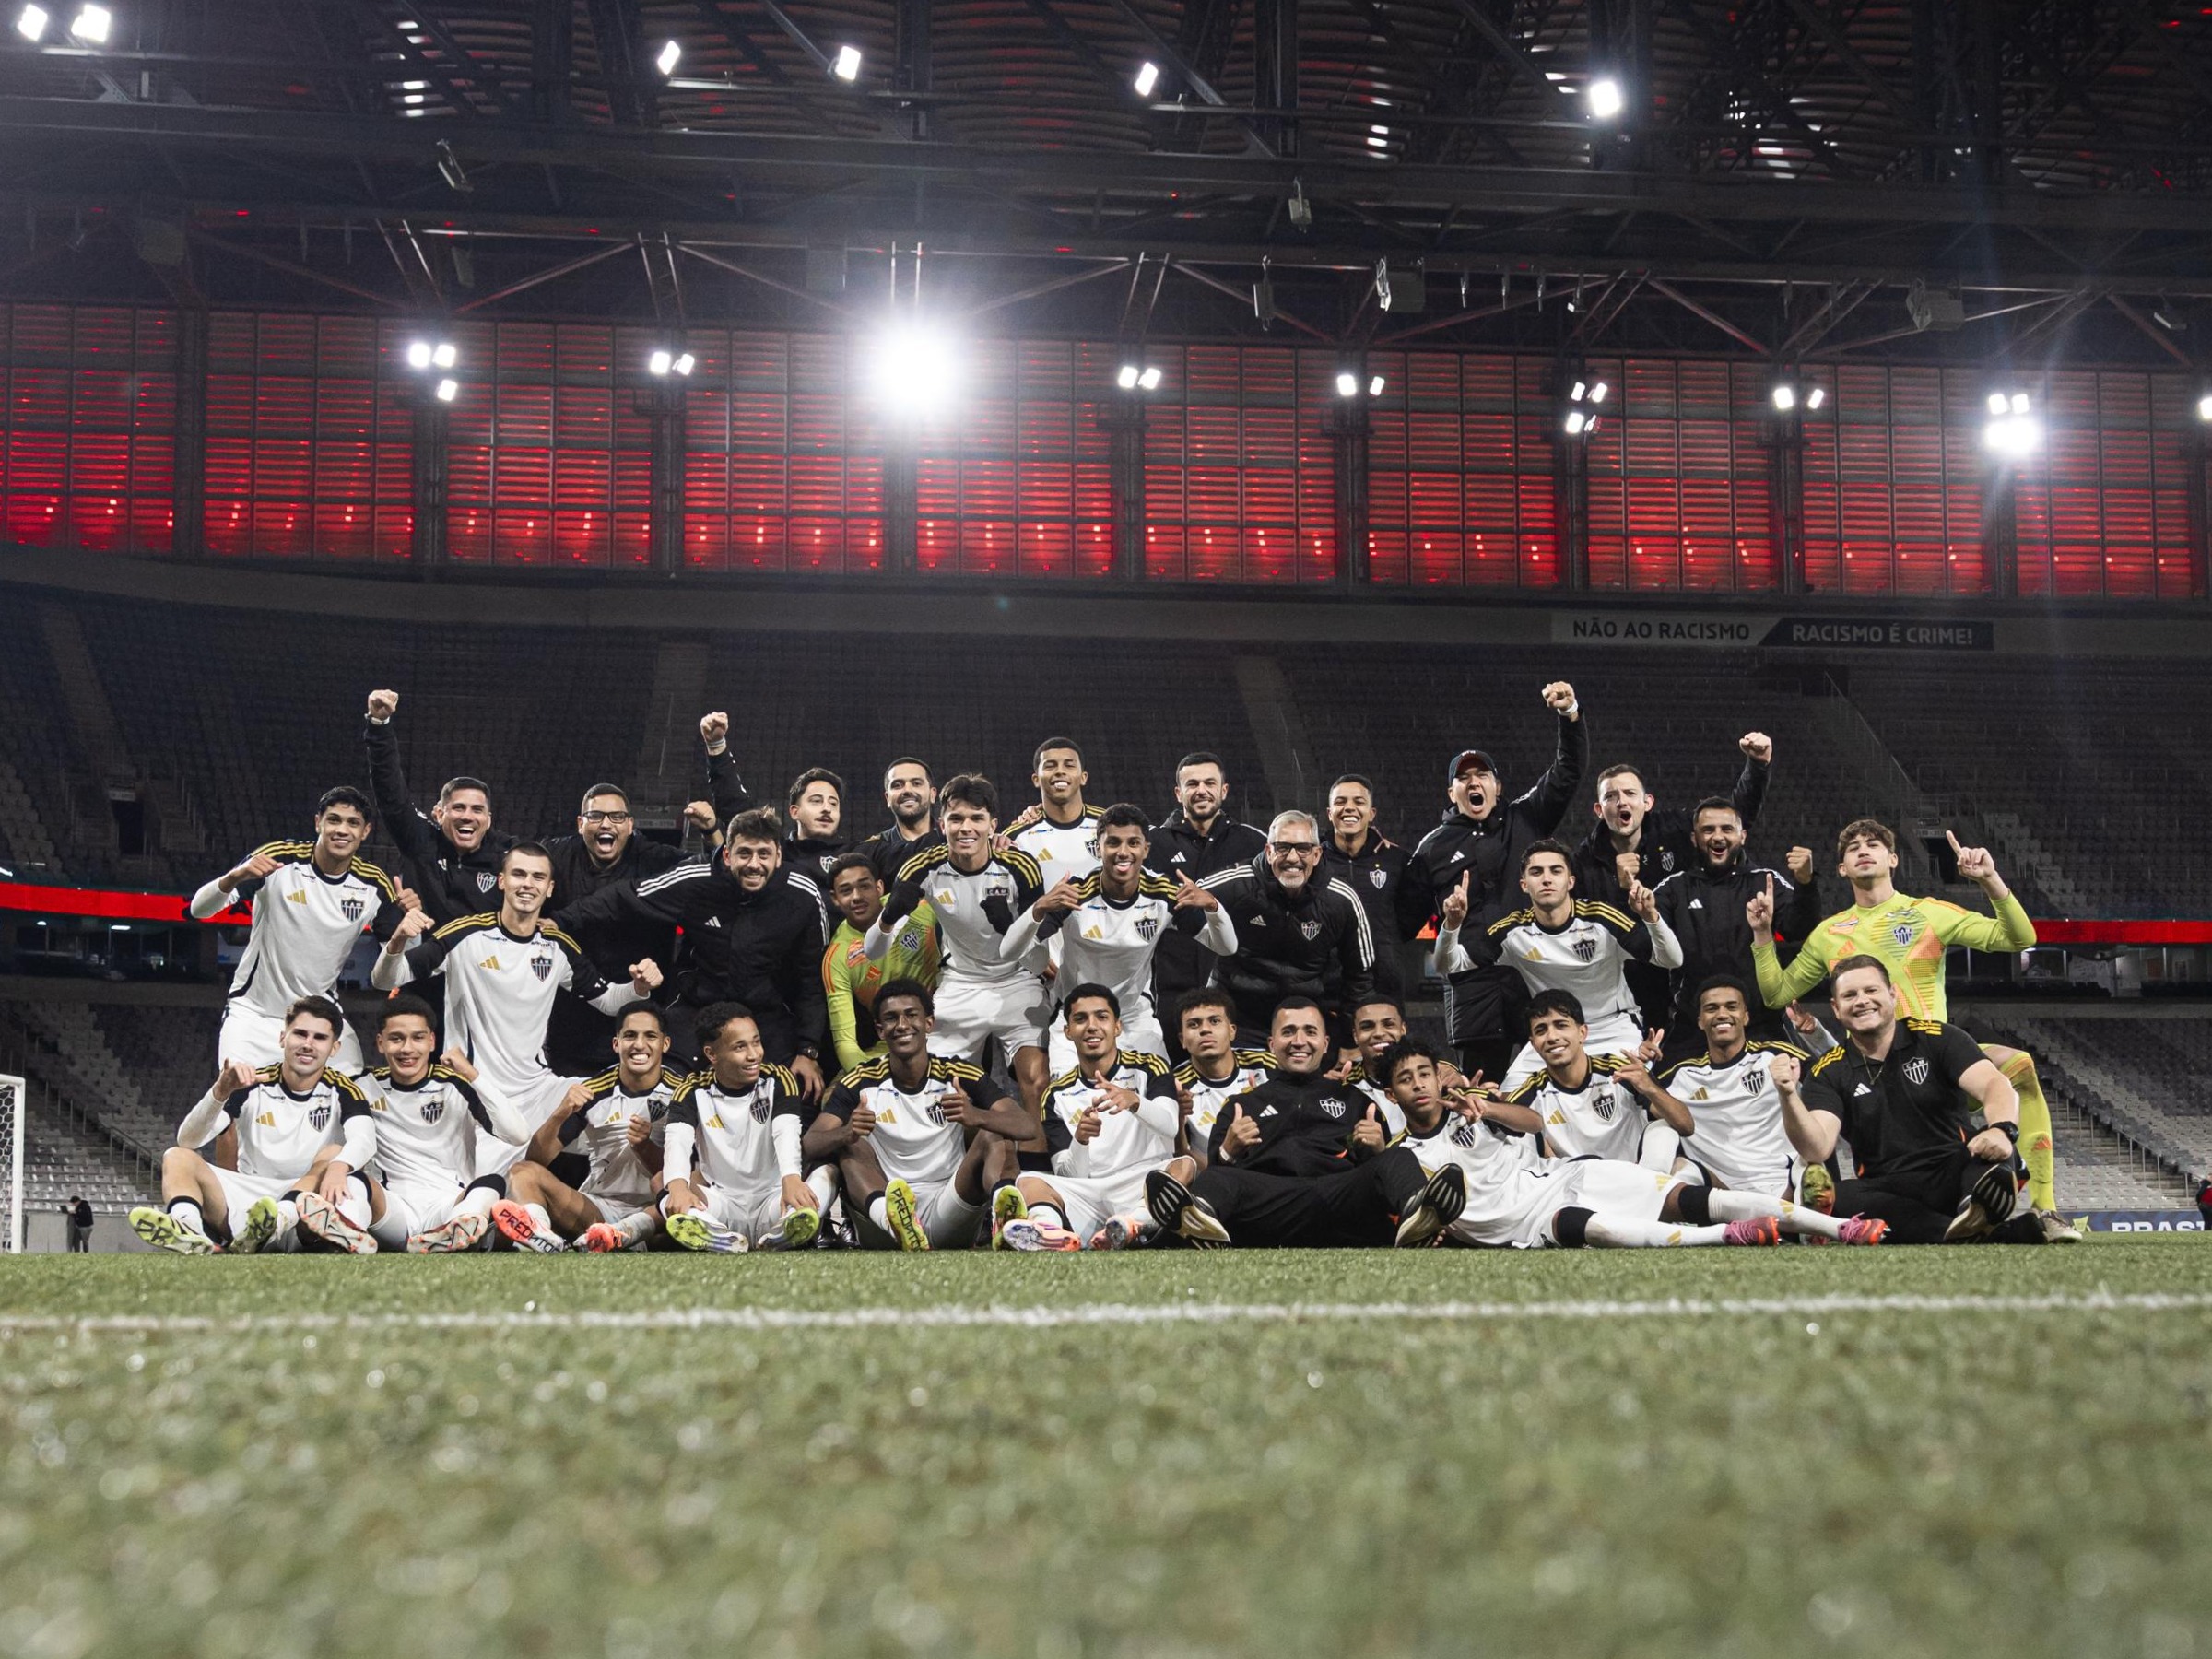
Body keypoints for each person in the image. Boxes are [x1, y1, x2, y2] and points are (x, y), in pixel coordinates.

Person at [1748, 818, 2063, 1225]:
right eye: (1852, 847)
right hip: (1875, 1076)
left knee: (2020, 1068)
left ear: (1892, 858)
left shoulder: (1928, 913)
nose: (1863, 849)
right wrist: (1760, 936)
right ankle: (1946, 1214)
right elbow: (1776, 994)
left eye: (1873, 844)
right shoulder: (1829, 934)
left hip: (1938, 1062)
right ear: (1842, 868)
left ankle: (2045, 1207)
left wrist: (1990, 881)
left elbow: (2019, 938)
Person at [1379, 1037, 1826, 1251]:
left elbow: (1532, 1123)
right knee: (1598, 1229)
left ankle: (1837, 1227)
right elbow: (1426, 1209)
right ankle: (1724, 1236)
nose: (1419, 1085)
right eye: (1406, 1079)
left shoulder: (1473, 1109)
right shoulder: (1403, 1154)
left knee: (1680, 1192)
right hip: (1522, 1230)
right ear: (1390, 1095)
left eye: (1425, 1073)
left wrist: (1488, 1108)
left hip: (1565, 1178)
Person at [370, 842, 663, 1167]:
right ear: (501, 881)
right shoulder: (466, 934)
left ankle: (618, 1204)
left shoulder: (557, 946)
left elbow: (609, 1001)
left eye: (538, 877)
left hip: (538, 1089)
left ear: (549, 889)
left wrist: (638, 986)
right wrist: (397, 940)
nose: (528, 884)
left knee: (623, 1124)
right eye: (519, 874)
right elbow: (385, 979)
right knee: (487, 1188)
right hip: (476, 1091)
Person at [1144, 996, 1465, 1250]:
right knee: (1219, 1177)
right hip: (1269, 1203)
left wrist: (1377, 1149)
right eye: (1288, 1032)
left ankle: (1419, 1215)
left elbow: (1371, 1172)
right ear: (1272, 1045)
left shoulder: (1355, 1101)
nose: (1299, 1040)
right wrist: (1228, 1150)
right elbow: (1218, 1166)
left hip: (1339, 1200)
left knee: (1399, 1157)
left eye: (1310, 1032)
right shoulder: (1242, 1104)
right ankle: (1197, 1218)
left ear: (1325, 1044)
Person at [555, 807, 830, 1088]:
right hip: (696, 1006)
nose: (754, 864)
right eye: (744, 853)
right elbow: (624, 897)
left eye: (764, 854)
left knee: (797, 1090)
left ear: (779, 856)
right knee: (661, 1091)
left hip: (766, 1013)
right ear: (726, 854)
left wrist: (808, 1050)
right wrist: (558, 921)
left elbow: (813, 980)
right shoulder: (696, 879)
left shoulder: (803, 895)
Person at [1782, 956, 2046, 1245]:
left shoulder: (1938, 1038)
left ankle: (1967, 1214)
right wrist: (1788, 1095)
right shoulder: (1828, 1071)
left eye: (1871, 991)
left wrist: (2002, 1129)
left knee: (1994, 1153)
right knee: (1838, 1198)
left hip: (1954, 1174)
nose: (1862, 1001)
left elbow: (1996, 1085)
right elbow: (1817, 1147)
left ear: (1893, 994)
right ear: (1836, 1008)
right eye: (1849, 995)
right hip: (1889, 1191)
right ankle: (1981, 1232)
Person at [1409, 681, 1588, 1081]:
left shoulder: (1526, 818)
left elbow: (1568, 771)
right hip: (1474, 984)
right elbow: (1405, 918)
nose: (1474, 783)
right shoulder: (1432, 849)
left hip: (1536, 972)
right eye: (1464, 778)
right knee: (1482, 1090)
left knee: (1552, 1081)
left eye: (1483, 775)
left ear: (1498, 786)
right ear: (1451, 791)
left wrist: (1569, 715)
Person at [541, 747, 743, 1077]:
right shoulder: (554, 855)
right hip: (570, 1008)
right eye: (596, 816)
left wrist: (711, 831)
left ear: (631, 825)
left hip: (642, 1001)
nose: (606, 824)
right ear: (580, 824)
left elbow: (713, 871)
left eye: (617, 817)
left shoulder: (653, 857)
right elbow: (510, 863)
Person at [997, 804, 1238, 1073]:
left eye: (1133, 843)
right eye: (1113, 842)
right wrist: (1038, 909)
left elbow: (1226, 947)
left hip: (1134, 1018)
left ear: (1146, 849)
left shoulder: (1163, 894)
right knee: (1072, 1109)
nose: (1123, 852)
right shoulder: (1075, 893)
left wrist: (1213, 907)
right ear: (1098, 848)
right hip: (1079, 1017)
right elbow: (1008, 951)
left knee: (1163, 1104)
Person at [801, 979, 1038, 1251]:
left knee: (994, 1133)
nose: (902, 1025)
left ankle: (1006, 1220)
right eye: (891, 1018)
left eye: (911, 1015)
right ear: (880, 1030)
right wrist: (847, 1131)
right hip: (885, 1208)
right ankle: (896, 1221)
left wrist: (977, 1116)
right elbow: (810, 1143)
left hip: (948, 1204)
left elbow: (1026, 1126)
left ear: (929, 1024)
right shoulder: (861, 1080)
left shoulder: (958, 1073)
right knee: (850, 1145)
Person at [869, 775, 1052, 1121]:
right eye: (956, 819)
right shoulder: (923, 868)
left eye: (976, 818)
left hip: (1016, 983)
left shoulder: (1020, 866)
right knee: (935, 1083)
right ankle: (958, 1166)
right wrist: (888, 918)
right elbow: (873, 952)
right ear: (942, 824)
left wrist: (1009, 927)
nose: (965, 827)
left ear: (992, 824)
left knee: (1037, 1078)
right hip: (961, 983)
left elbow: (1039, 959)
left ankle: (1039, 1168)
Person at [127, 996, 371, 1255]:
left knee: (333, 1152)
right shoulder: (252, 1084)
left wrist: (338, 1167)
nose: (308, 1044)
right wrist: (220, 1091)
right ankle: (190, 1230)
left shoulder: (344, 1090)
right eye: (300, 1034)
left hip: (304, 1210)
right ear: (282, 1038)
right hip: (249, 1203)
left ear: (334, 1048)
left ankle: (277, 1221)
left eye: (319, 1038)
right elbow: (188, 1140)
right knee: (177, 1157)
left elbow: (365, 1140)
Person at [188, 786, 406, 1074]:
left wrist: (406, 932)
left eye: (352, 823)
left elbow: (390, 975)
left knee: (356, 1100)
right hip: (255, 1015)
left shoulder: (375, 884)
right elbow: (199, 910)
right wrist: (236, 875)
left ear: (365, 831)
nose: (342, 830)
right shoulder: (279, 860)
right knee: (235, 1105)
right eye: (334, 820)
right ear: (318, 822)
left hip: (320, 1020)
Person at [1433, 839, 1681, 1088]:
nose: (1547, 879)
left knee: (1637, 1094)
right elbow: (1449, 965)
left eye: (1556, 870)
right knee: (1508, 1105)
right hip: (1553, 1034)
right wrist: (1451, 926)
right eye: (1536, 872)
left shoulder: (1602, 920)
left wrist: (1651, 917)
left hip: (1611, 1027)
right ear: (1524, 885)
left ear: (1570, 882)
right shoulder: (1512, 931)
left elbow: (1671, 958)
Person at [1655, 979, 1888, 1242]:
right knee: (1668, 1147)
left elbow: (1841, 1073)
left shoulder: (1776, 1056)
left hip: (1783, 1179)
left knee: (1810, 1163)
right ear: (1699, 1020)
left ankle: (1807, 1220)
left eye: (1731, 1007)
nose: (1722, 1014)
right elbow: (1649, 1103)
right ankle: (1802, 1227)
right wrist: (1644, 1071)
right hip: (1719, 1186)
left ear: (1745, 1017)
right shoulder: (1681, 1075)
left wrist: (1816, 1037)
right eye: (1712, 1008)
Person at [1573, 736, 1771, 1031]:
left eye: (1629, 793)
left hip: (1689, 966)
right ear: (1599, 810)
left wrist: (1756, 766)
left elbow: (1730, 820)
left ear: (1647, 802)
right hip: (1633, 979)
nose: (1621, 801)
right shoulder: (1584, 861)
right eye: (1611, 797)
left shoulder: (1675, 829)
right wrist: (1619, 885)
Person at [1001, 984, 1196, 1253]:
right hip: (1090, 1192)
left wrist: (1135, 1101)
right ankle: (1050, 1231)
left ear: (1117, 1027)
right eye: (1080, 1019)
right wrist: (1080, 1141)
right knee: (1028, 1181)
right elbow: (1069, 1174)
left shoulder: (1151, 1066)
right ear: (1067, 1031)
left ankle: (1133, 1224)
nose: (1092, 1026)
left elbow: (1170, 1125)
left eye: (1102, 1017)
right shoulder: (1055, 1094)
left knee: (1183, 1165)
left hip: (1142, 1185)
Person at [489, 1002, 683, 1254]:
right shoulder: (595, 1090)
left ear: (664, 1044)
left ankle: (628, 1235)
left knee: (693, 1189)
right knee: (522, 1173)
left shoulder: (683, 1092)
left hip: (657, 1211)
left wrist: (645, 1147)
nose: (639, 1045)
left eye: (650, 1036)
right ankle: (543, 1237)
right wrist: (560, 1113)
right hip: (599, 1209)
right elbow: (536, 1160)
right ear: (616, 1044)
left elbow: (686, 1176)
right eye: (630, 1036)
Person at [1650, 798, 1821, 1058]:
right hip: (1694, 1025)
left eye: (1726, 829)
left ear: (1742, 836)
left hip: (1760, 1022)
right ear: (1694, 838)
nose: (1717, 836)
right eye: (1708, 830)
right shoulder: (1673, 888)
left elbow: (1799, 929)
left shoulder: (1766, 881)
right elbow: (1647, 941)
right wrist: (1642, 910)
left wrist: (1806, 884)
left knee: (1801, 1084)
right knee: (1657, 1092)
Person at [660, 1002, 823, 1254]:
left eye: (756, 1042)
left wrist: (791, 1179)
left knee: (829, 1173)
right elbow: (677, 1142)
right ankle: (718, 1236)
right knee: (667, 1189)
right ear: (712, 1054)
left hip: (775, 1200)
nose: (754, 1054)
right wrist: (679, 1189)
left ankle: (785, 1228)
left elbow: (786, 1133)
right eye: (740, 1047)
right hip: (720, 1204)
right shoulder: (692, 1090)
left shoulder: (779, 1079)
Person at [1199, 809, 1375, 1040]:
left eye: (1303, 848)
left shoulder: (1342, 899)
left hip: (1309, 1020)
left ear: (1317, 854)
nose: (1292, 858)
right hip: (1240, 1020)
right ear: (1269, 851)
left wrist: (1350, 1040)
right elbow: (1183, 902)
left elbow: (1361, 975)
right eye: (1282, 847)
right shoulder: (1236, 884)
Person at [350, 995, 500, 1254]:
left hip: (449, 1206)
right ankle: (348, 1232)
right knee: (354, 1180)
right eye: (396, 1038)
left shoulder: (455, 1084)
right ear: (380, 1043)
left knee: (492, 1182)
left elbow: (517, 1133)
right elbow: (311, 1086)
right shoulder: (362, 1085)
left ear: (432, 1041)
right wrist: (260, 1077)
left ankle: (456, 1231)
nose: (407, 1048)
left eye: (417, 1038)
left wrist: (472, 1074)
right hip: (395, 1210)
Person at [361, 688, 512, 924]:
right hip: (427, 955)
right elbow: (390, 794)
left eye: (477, 810)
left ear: (489, 819)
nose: (467, 817)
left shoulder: (508, 855)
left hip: (484, 959)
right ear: (439, 813)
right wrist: (379, 725)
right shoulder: (420, 842)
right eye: (459, 808)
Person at [1498, 991, 1691, 1169]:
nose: (1552, 1037)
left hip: (1639, 1175)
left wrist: (1650, 1088)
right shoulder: (1531, 1092)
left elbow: (1685, 1125)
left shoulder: (1620, 1071)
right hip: (1583, 1191)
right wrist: (1484, 1102)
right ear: (1533, 1044)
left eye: (1561, 1025)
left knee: (1664, 1133)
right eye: (1541, 1030)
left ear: (1582, 1033)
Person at [1145, 752, 1267, 1022]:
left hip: (1238, 987)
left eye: (1210, 784)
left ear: (1223, 790)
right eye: (1192, 784)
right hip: (1167, 989)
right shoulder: (1153, 843)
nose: (1202, 791)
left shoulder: (1254, 843)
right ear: (1178, 793)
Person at [821, 852, 940, 1076]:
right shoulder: (836, 957)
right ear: (835, 899)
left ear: (879, 887)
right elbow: (845, 1043)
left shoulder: (919, 907)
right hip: (894, 1046)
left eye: (864, 886)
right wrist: (869, 1080)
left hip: (948, 1029)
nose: (857, 896)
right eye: (846, 891)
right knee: (834, 1100)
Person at [1318, 773, 1429, 1003]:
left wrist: (1385, 943)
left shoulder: (1398, 861)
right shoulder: (1314, 861)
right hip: (1326, 988)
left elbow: (1412, 917)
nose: (1349, 808)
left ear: (1371, 813)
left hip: (1383, 986)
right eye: (1340, 802)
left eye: (1358, 802)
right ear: (1330, 814)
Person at [1169, 988, 1276, 1161]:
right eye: (1194, 1024)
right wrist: (1178, 1121)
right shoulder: (1175, 1086)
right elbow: (1180, 1157)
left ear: (1232, 1031)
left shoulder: (1266, 1064)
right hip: (1212, 1175)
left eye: (1214, 1021)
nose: (1205, 1030)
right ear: (1182, 1040)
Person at [1006, 737, 1105, 886]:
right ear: (1036, 779)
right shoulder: (1015, 838)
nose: (1060, 771)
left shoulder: (1111, 825)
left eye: (1069, 765)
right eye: (1050, 766)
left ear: (1083, 777)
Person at [861, 758, 942, 884]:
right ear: (887, 798)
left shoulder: (954, 840)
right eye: (897, 785)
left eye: (916, 783)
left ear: (933, 794)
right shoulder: (872, 851)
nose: (907, 790)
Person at [784, 767, 849, 877]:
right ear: (795, 812)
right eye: (816, 801)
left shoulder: (856, 852)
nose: (827, 809)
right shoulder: (779, 853)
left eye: (833, 803)